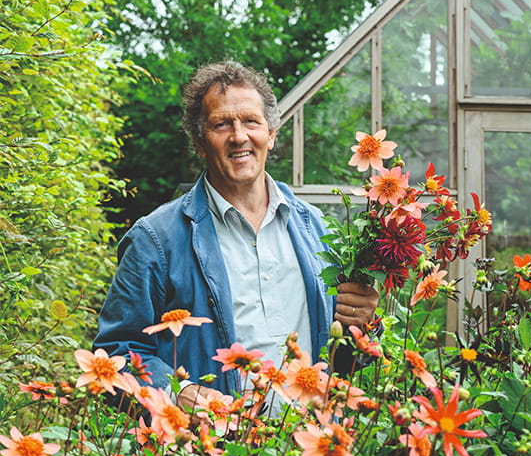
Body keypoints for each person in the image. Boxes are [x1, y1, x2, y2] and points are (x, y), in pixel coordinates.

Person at [94, 60, 379, 411]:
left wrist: (362, 324)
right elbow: (115, 352)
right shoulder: (155, 239)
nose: (239, 136)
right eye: (221, 124)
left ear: (271, 133)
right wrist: (175, 394)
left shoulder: (318, 230)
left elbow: (344, 357)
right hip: (211, 453)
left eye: (251, 121)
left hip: (307, 448)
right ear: (200, 142)